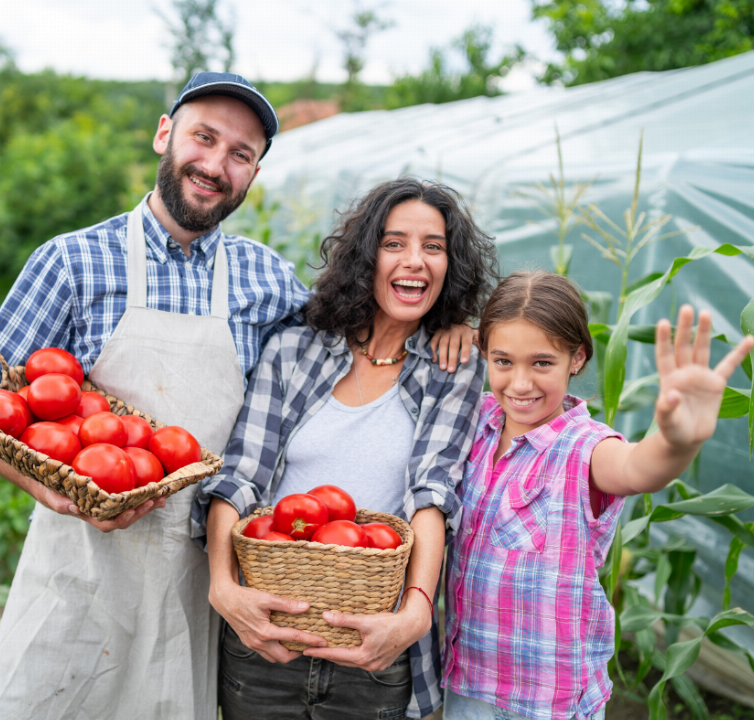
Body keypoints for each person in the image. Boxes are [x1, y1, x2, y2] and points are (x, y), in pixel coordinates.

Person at [0, 72, 308, 720]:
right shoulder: (71, 261)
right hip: (79, 562)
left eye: (241, 154)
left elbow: (340, 353)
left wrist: (446, 318)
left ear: (255, 173)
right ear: (163, 134)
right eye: (203, 138)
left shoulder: (268, 278)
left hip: (197, 573)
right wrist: (46, 490)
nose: (215, 165)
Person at [194, 177, 499, 720]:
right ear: (366, 256)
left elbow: (433, 493)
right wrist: (223, 586)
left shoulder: (454, 367)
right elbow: (241, 475)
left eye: (434, 247)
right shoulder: (295, 349)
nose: (415, 261)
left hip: (374, 644)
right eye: (394, 243)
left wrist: (415, 613)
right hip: (268, 633)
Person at [441, 271, 754, 720]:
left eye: (542, 363)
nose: (520, 383)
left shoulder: (585, 448)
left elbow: (638, 468)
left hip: (549, 700)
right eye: (503, 361)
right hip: (469, 679)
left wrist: (677, 441)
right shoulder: (478, 425)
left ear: (578, 359)